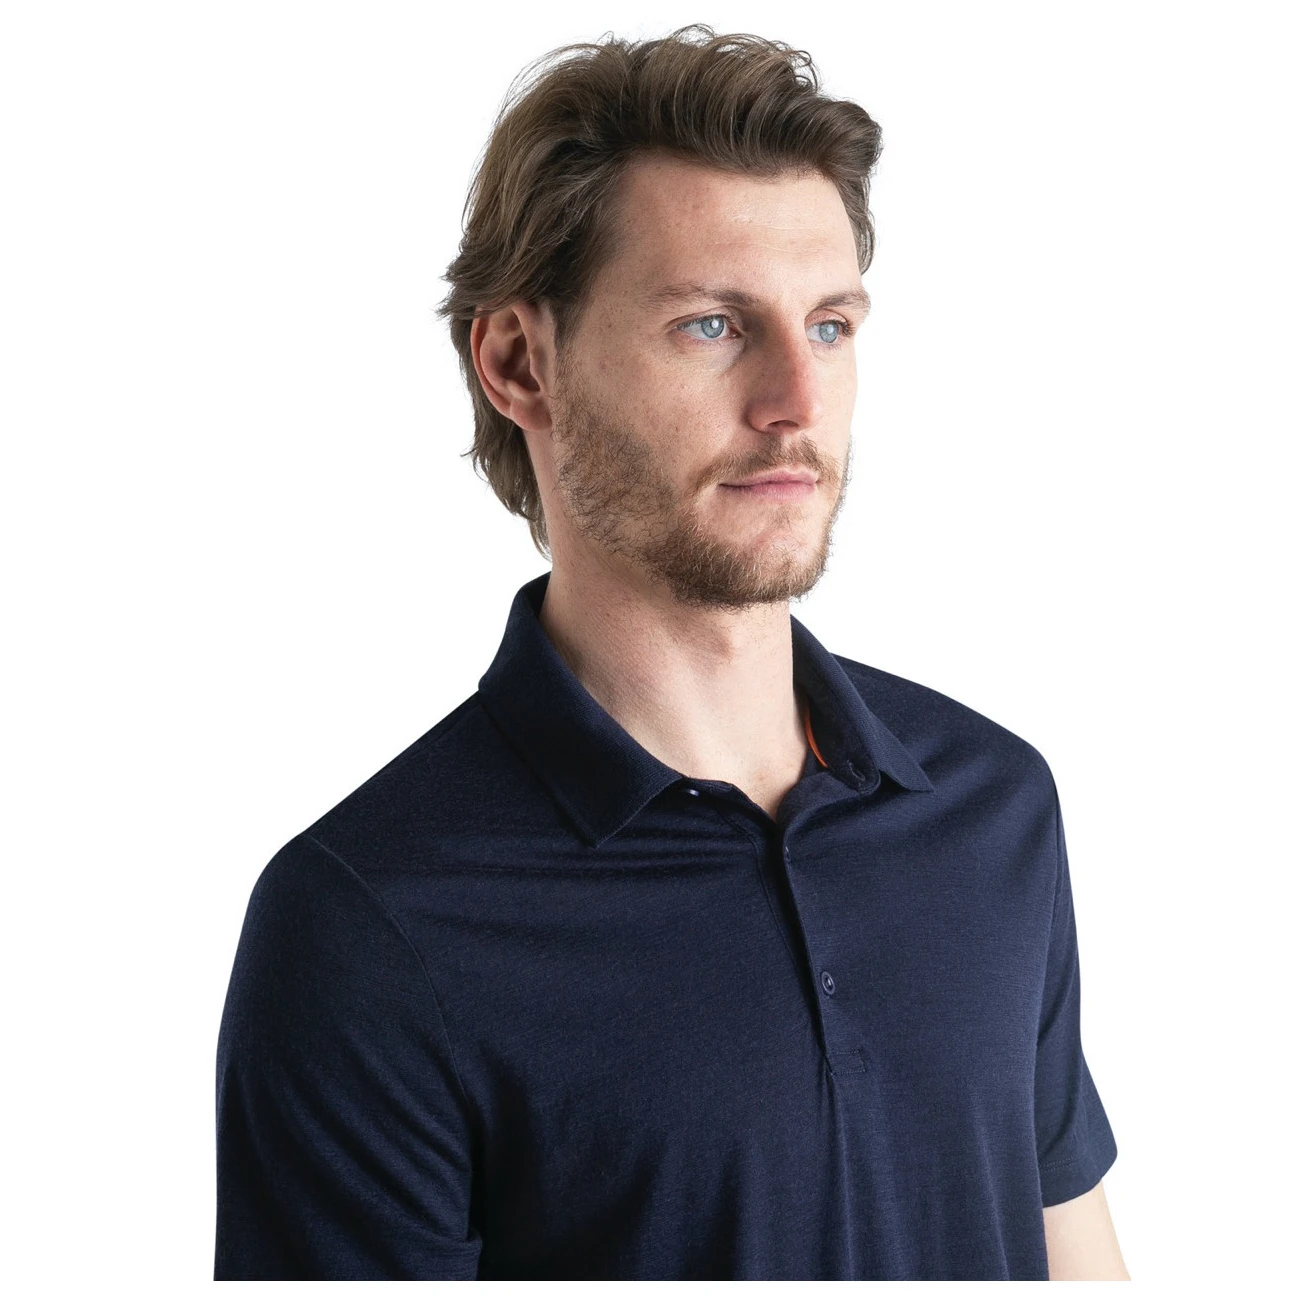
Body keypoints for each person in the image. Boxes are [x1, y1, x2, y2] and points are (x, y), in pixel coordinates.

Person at [214, 25, 1128, 1280]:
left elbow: (1070, 1249)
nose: (796, 401)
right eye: (710, 326)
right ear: (519, 361)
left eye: (830, 325)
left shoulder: (990, 808)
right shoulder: (369, 924)